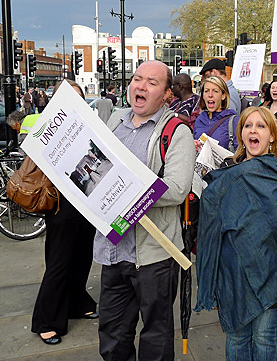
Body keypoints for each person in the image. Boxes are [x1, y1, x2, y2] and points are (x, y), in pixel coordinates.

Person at [94, 60, 195, 360]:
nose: (141, 86)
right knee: (112, 334)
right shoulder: (115, 121)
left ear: (165, 94)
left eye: (152, 82)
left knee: (156, 335)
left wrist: (127, 190)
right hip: (113, 250)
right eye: (137, 79)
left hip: (153, 255)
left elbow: (177, 188)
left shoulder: (177, 132)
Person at [196, 106, 277, 360]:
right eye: (248, 125)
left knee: (265, 334)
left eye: (261, 126)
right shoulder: (225, 175)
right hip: (233, 269)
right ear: (241, 134)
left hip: (273, 268)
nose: (253, 130)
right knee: (236, 335)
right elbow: (210, 227)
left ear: (272, 136)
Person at [31, 80, 98, 345]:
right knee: (59, 262)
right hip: (61, 204)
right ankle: (46, 320)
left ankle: (77, 302)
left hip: (86, 202)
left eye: (79, 98)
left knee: (83, 257)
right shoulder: (47, 128)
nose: (75, 102)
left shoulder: (87, 124)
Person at [193, 75, 239, 152]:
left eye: (215, 91)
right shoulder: (199, 120)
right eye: (206, 91)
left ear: (223, 96)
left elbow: (240, 152)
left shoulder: (233, 121)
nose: (210, 95)